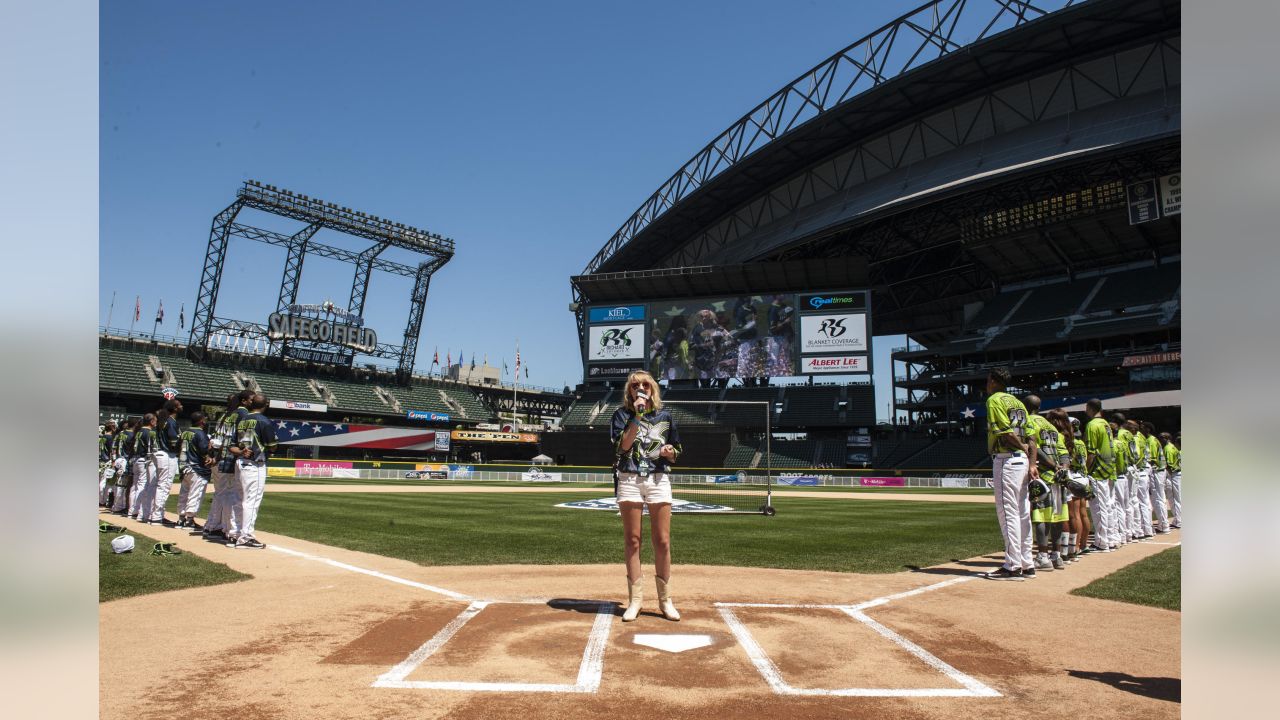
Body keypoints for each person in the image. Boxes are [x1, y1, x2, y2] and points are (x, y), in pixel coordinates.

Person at [610, 370, 682, 619]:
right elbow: (624, 446)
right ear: (630, 391)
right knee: (633, 540)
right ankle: (635, 601)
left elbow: (677, 452)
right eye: (634, 385)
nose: (640, 387)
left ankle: (665, 601)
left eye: (645, 384)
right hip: (629, 478)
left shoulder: (666, 416)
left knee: (662, 540)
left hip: (658, 479)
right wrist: (638, 416)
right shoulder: (621, 415)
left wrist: (670, 452)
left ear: (652, 388)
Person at [982, 368, 1035, 581]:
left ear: (994, 381)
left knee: (1008, 513)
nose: (986, 384)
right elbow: (1032, 437)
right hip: (1022, 462)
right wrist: (1031, 462)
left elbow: (1004, 434)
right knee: (1023, 512)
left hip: (1007, 459)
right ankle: (1027, 563)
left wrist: (1021, 448)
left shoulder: (994, 400)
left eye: (988, 380)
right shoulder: (1019, 403)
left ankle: (1012, 566)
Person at [1023, 398, 1070, 571]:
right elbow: (1064, 453)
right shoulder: (1051, 427)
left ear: (1025, 407)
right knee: (1057, 517)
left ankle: (1042, 556)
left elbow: (1034, 447)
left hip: (1043, 475)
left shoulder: (1029, 421)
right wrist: (1063, 468)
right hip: (1059, 478)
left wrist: (1052, 466)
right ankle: (1056, 555)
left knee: (1041, 517)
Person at [226, 393, 276, 549]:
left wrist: (241, 452)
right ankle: (246, 537)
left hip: (240, 462)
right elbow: (272, 445)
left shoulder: (243, 420)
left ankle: (234, 534)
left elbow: (231, 446)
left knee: (238, 499)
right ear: (265, 405)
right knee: (251, 502)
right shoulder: (263, 421)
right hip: (255, 464)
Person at [204, 391, 252, 543]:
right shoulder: (241, 415)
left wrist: (215, 457)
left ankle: (213, 526)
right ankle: (227, 530)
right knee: (232, 495)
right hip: (230, 457)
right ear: (242, 401)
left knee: (221, 494)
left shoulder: (226, 416)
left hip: (221, 456)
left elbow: (219, 439)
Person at [1083, 399, 1117, 552]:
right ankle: (1110, 539)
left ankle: (1102, 543)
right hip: (1109, 469)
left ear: (1090, 408)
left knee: (1098, 508)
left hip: (1098, 470)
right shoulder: (1106, 424)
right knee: (1108, 507)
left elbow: (1091, 452)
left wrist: (1086, 469)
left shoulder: (1092, 425)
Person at [148, 399, 183, 526]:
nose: (181, 406)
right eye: (179, 405)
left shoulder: (163, 420)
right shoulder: (171, 422)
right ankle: (157, 516)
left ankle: (155, 514)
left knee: (158, 485)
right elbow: (173, 442)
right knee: (164, 486)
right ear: (174, 408)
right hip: (167, 454)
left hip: (160, 454)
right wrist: (181, 444)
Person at [174, 411, 212, 529]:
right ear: (201, 421)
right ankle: (189, 520)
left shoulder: (185, 432)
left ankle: (181, 519)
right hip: (196, 467)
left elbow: (177, 449)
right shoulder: (200, 433)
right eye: (204, 419)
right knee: (195, 494)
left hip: (184, 466)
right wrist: (209, 452)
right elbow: (204, 450)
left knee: (184, 494)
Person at [130, 413, 158, 521]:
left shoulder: (138, 431)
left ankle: (132, 510)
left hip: (136, 459)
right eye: (155, 420)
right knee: (143, 486)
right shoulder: (150, 432)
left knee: (135, 485)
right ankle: (138, 511)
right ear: (151, 421)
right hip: (144, 459)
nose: (156, 422)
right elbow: (153, 449)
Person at [1143, 421, 1170, 533]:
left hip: (1157, 471)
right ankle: (1163, 524)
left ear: (1148, 429)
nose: (1141, 429)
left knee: (1158, 498)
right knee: (1159, 498)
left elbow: (1152, 459)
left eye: (1143, 428)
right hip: (1160, 471)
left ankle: (1164, 525)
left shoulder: (1151, 441)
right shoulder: (1153, 440)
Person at [109, 419, 136, 514]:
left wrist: (113, 460)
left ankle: (117, 506)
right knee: (123, 485)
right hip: (125, 460)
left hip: (118, 460)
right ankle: (119, 507)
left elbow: (113, 447)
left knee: (118, 484)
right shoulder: (132, 435)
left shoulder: (119, 434)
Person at [766, 295, 794, 376]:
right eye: (781, 293)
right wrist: (784, 323)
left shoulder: (784, 306)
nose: (783, 295)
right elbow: (772, 329)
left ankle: (785, 382)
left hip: (785, 338)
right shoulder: (772, 309)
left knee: (786, 363)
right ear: (776, 295)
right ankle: (775, 383)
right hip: (775, 340)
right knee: (775, 364)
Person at [1161, 431, 1182, 529]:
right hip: (1177, 474)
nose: (1160, 439)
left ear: (1167, 438)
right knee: (1177, 498)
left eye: (1162, 437)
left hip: (1173, 475)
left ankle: (1179, 520)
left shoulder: (1167, 448)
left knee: (1174, 499)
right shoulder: (1173, 446)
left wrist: (1166, 476)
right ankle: (1178, 519)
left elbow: (1168, 465)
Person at [98, 422, 117, 507]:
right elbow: (111, 451)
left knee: (100, 481)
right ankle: (102, 501)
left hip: (100, 461)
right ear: (112, 428)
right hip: (106, 462)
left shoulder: (102, 437)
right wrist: (113, 461)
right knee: (104, 482)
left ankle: (100, 500)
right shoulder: (110, 437)